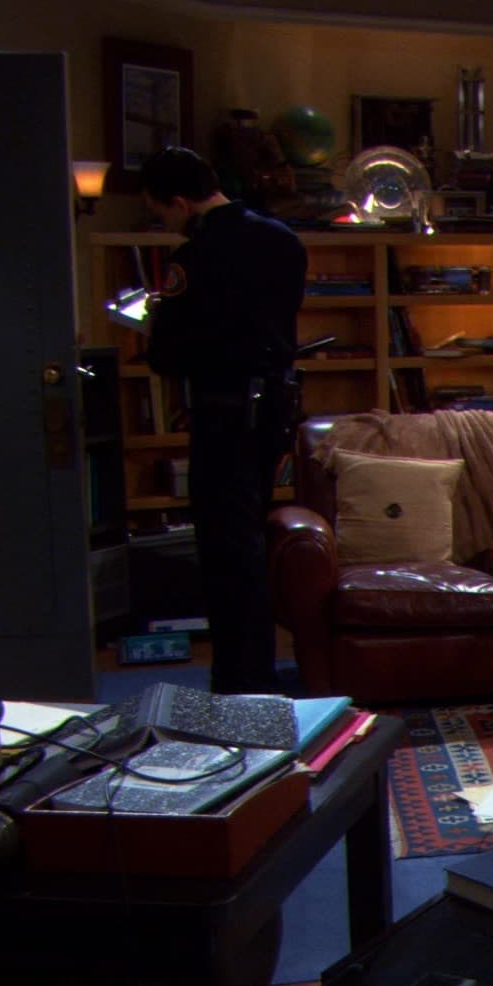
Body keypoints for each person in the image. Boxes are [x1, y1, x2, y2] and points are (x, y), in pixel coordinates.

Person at [141, 146, 306, 695]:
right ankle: (257, 668)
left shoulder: (195, 256)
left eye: (161, 212)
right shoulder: (282, 240)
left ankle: (240, 678)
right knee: (251, 538)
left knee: (224, 550)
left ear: (180, 201)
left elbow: (166, 354)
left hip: (222, 411)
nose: (166, 223)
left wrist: (157, 320)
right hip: (273, 408)